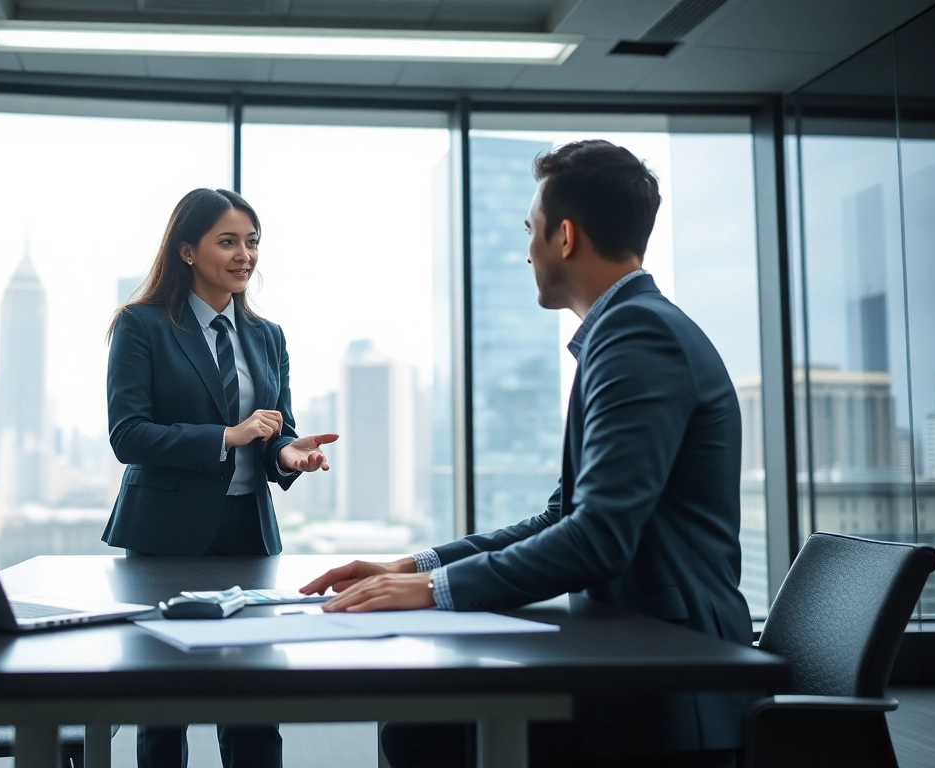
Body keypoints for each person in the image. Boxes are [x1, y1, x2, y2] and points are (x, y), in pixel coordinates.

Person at [301, 140, 753, 768]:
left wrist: (435, 589)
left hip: (671, 686)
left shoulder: (636, 335)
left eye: (531, 230)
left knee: (420, 727)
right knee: (420, 721)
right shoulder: (625, 331)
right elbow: (562, 515)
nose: (527, 250)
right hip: (637, 651)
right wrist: (414, 565)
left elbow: (598, 538)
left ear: (564, 236)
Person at [104, 187, 337, 768]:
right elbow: (128, 434)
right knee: (163, 710)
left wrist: (288, 455)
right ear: (187, 250)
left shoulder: (267, 335)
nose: (244, 256)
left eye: (252, 242)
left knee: (255, 705)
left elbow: (276, 429)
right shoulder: (142, 326)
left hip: (247, 530)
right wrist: (225, 436)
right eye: (227, 241)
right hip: (165, 535)